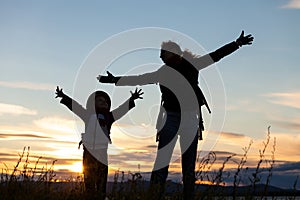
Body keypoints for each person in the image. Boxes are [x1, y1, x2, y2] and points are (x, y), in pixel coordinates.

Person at [97, 30, 254, 199]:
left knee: (188, 165)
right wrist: (114, 80)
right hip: (170, 118)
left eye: (163, 54)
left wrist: (236, 43)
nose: (161, 58)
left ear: (174, 53)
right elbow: (140, 78)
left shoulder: (192, 64)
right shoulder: (163, 72)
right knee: (162, 161)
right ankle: (155, 195)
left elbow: (216, 55)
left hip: (190, 119)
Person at [55, 86, 143, 200]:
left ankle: (101, 196)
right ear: (93, 104)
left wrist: (132, 99)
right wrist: (63, 96)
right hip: (88, 153)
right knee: (89, 181)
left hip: (102, 154)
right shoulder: (87, 115)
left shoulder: (109, 117)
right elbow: (75, 107)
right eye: (100, 100)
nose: (104, 102)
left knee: (101, 182)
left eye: (105, 101)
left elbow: (121, 109)